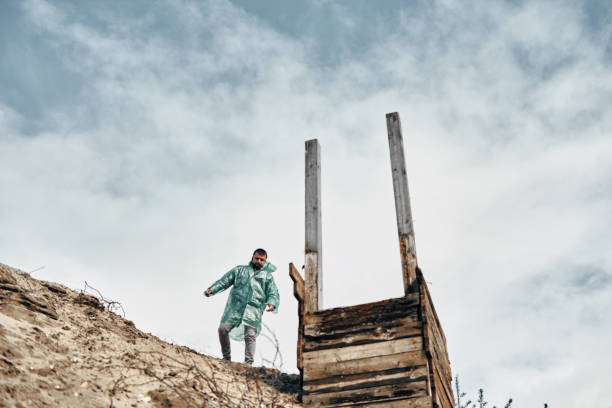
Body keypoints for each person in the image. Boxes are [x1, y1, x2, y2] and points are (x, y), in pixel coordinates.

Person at [204, 248, 280, 365]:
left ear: (265, 262)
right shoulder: (240, 270)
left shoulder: (267, 277)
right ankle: (227, 358)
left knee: (250, 335)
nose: (258, 261)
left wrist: (272, 303)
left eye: (262, 260)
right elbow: (224, 281)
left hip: (253, 310)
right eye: (257, 258)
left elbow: (273, 292)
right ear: (252, 258)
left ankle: (248, 363)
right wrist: (212, 289)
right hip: (235, 308)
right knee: (223, 329)